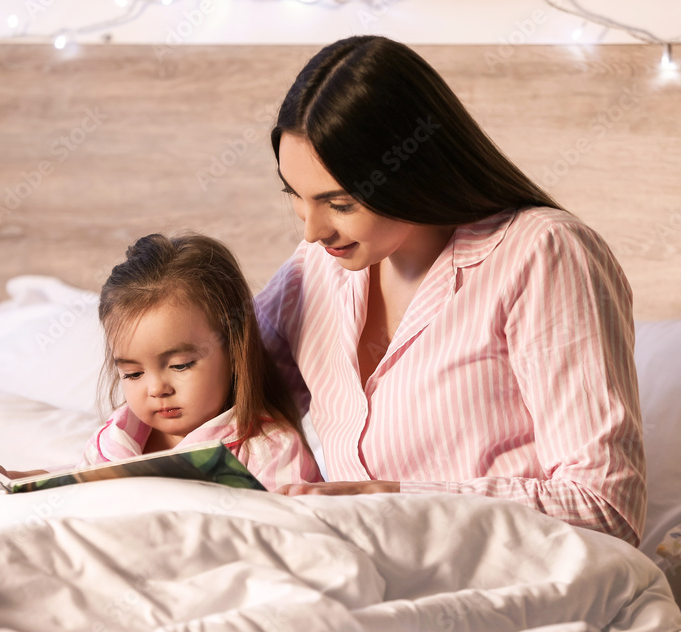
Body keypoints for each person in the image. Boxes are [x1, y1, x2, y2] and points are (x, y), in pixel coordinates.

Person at [257, 35, 647, 545]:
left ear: (414, 174)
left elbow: (607, 509)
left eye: (341, 203)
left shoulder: (542, 253)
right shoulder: (315, 270)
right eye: (296, 196)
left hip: (526, 589)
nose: (312, 230)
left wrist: (392, 502)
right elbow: (218, 400)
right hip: (367, 583)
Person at [0, 232, 322, 492]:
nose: (155, 388)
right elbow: (74, 487)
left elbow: (299, 535)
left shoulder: (270, 449)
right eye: (131, 372)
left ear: (234, 351)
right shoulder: (117, 436)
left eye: (180, 365)